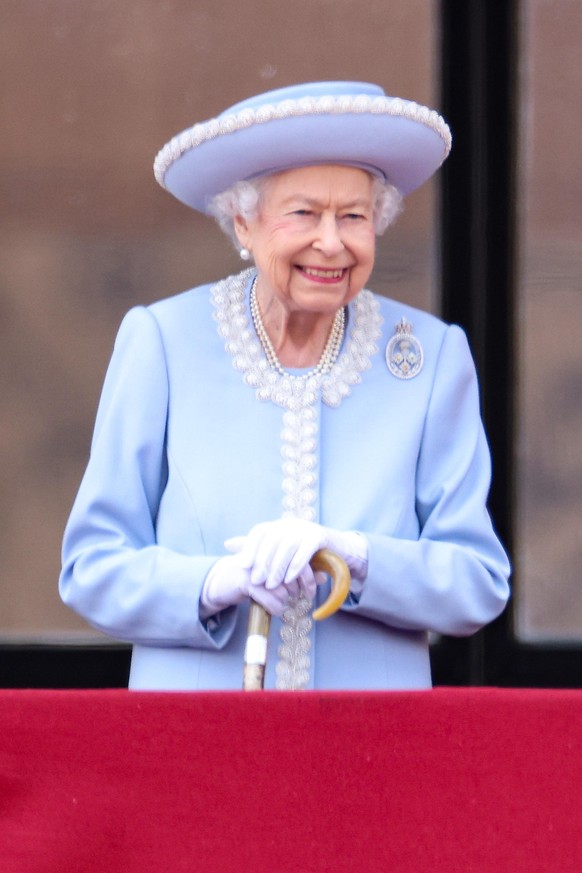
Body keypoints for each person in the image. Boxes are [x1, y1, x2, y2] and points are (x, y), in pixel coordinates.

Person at [59, 81, 510, 691]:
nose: (332, 242)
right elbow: (91, 568)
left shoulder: (430, 358)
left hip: (375, 747)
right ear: (243, 223)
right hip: (195, 743)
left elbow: (477, 582)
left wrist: (352, 554)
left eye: (354, 216)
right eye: (303, 213)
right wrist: (215, 583)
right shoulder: (163, 341)